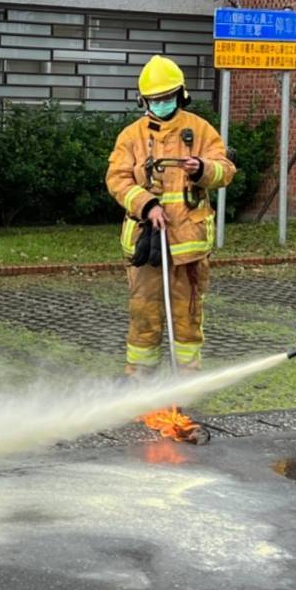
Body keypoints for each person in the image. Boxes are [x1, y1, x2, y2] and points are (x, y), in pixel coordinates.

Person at [106, 55, 235, 378]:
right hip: (146, 246)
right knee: (144, 313)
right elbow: (117, 179)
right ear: (144, 100)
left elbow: (225, 170)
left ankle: (185, 380)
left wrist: (203, 169)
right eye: (156, 99)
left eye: (168, 97)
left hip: (188, 247)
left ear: (181, 94)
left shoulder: (200, 130)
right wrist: (147, 205)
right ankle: (140, 378)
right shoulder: (131, 137)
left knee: (187, 317)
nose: (162, 103)